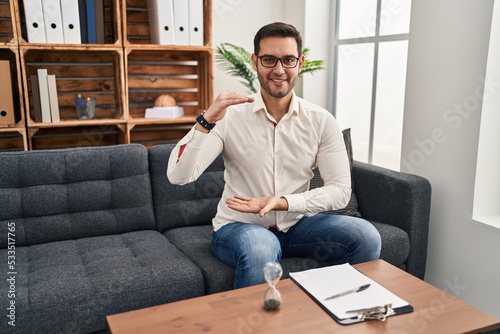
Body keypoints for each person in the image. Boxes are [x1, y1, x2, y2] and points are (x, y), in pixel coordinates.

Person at [167, 22, 381, 289]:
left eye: (288, 60)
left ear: (300, 63)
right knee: (260, 251)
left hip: (297, 225)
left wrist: (281, 202)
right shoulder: (229, 117)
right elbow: (179, 176)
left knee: (365, 236)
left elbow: (340, 190)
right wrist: (206, 121)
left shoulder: (321, 120)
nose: (279, 70)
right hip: (240, 227)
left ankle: (339, 313)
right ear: (255, 61)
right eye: (269, 60)